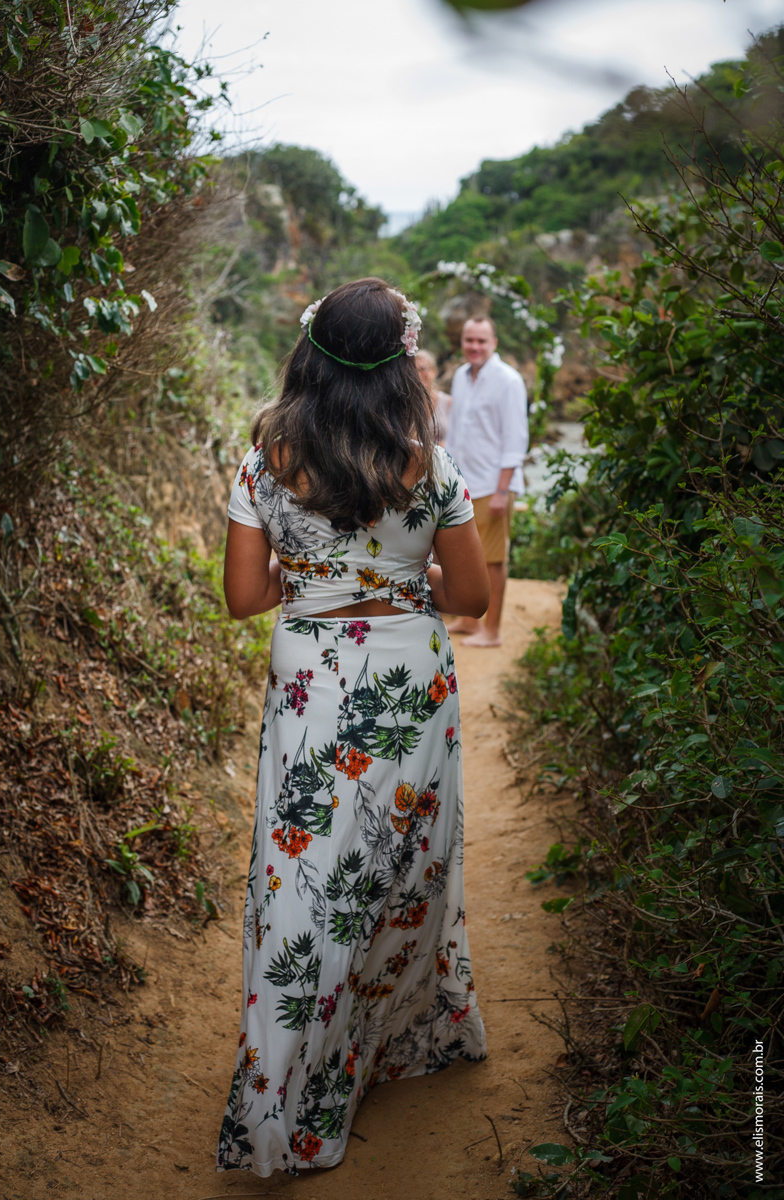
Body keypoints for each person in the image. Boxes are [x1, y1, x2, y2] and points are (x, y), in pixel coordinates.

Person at [218, 278, 489, 1178]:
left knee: (302, 876)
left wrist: (324, 587)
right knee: (398, 865)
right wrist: (402, 588)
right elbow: (476, 597)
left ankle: (280, 1086)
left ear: (312, 353)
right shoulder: (432, 468)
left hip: (310, 678)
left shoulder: (266, 462)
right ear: (401, 363)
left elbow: (244, 597)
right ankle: (382, 1038)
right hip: (410, 676)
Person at [444, 317, 528, 648]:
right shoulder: (462, 377)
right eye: (469, 340)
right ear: (462, 342)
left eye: (481, 341)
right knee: (465, 556)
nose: (475, 347)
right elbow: (456, 434)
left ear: (494, 342)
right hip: (463, 483)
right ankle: (468, 620)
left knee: (492, 559)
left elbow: (515, 439)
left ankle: (491, 631)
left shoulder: (508, 380)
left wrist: (502, 490)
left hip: (493, 485)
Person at [414, 348, 452, 445]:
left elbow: (458, 436)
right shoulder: (405, 404)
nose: (418, 374)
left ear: (434, 371)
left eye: (423, 369)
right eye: (414, 370)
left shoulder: (449, 402)